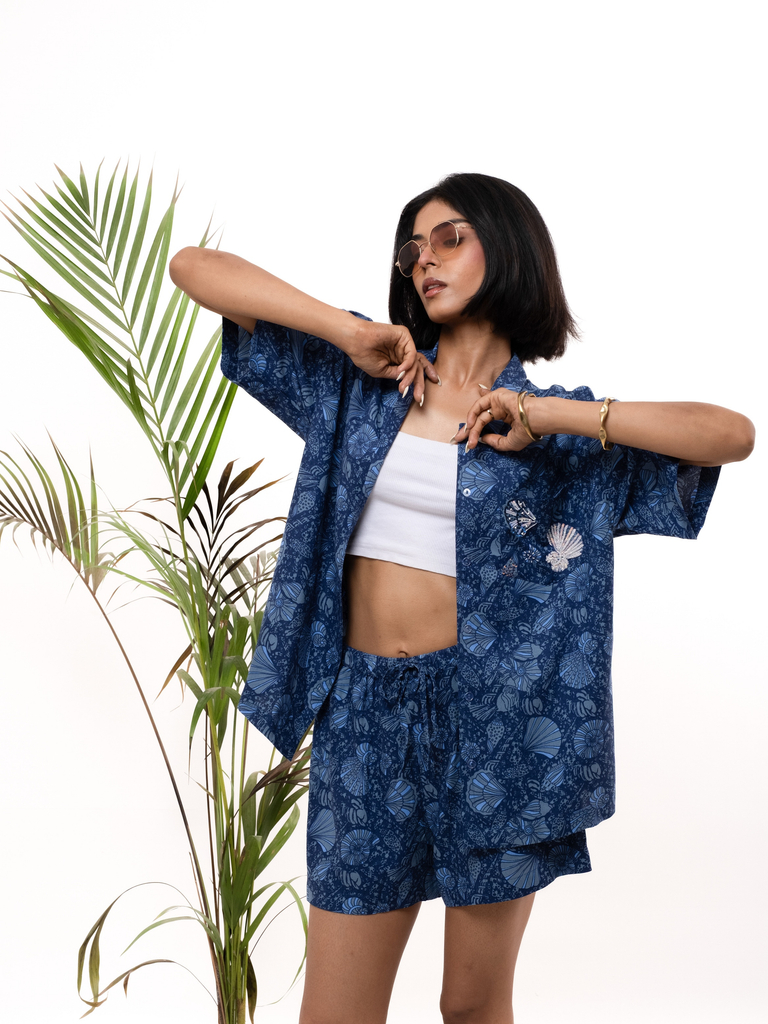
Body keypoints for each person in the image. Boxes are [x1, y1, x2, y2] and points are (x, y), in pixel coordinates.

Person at [169, 173, 754, 1024]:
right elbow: (194, 267)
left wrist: (552, 416)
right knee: (336, 1013)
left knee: (472, 1006)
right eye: (412, 249)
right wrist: (350, 329)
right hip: (364, 713)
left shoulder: (553, 429)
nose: (424, 261)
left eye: (450, 238)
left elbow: (731, 435)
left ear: (507, 248)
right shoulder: (361, 380)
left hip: (501, 729)